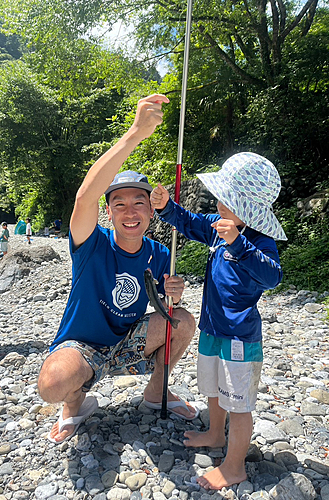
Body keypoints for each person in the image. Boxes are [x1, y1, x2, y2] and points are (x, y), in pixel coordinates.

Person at [37, 94, 197, 444]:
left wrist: (171, 294)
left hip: (129, 341)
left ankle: (157, 393)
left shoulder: (158, 251)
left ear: (150, 212)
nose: (130, 212)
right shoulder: (91, 243)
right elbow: (84, 198)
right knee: (51, 384)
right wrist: (135, 134)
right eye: (119, 204)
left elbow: (162, 307)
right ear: (108, 212)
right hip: (83, 345)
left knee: (183, 320)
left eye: (139, 203)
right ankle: (76, 404)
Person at [150, 152, 286, 490]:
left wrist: (237, 243)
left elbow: (273, 277)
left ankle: (235, 466)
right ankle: (214, 432)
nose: (220, 203)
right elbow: (190, 222)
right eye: (222, 196)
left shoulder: (257, 241)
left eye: (230, 199)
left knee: (238, 402)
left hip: (240, 336)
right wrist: (166, 207)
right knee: (213, 387)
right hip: (212, 328)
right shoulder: (217, 226)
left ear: (250, 209)